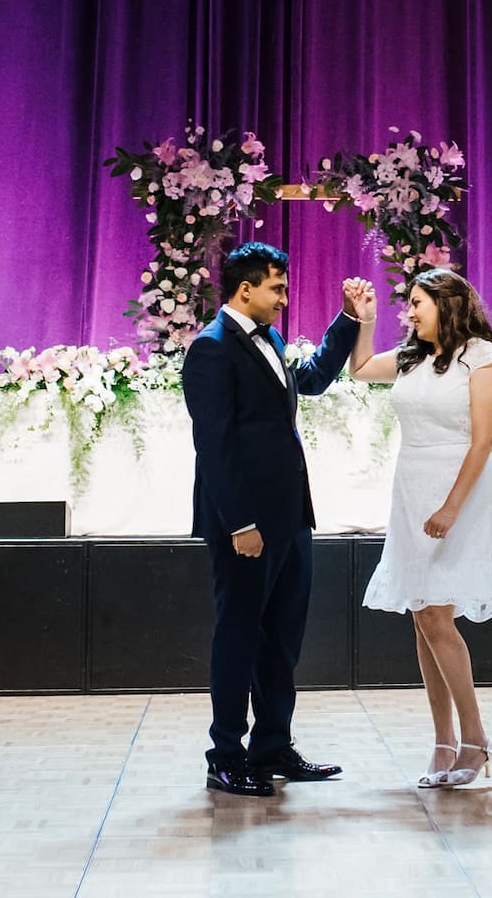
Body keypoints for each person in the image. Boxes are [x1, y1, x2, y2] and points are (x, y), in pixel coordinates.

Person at [180, 242, 370, 797]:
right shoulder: (211, 348)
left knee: (282, 638)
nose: (285, 299)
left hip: (290, 519)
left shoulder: (272, 339)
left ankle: (272, 746)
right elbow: (214, 446)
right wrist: (240, 523)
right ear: (246, 290)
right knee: (239, 636)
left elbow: (311, 380)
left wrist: (349, 321)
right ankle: (225, 755)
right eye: (277, 289)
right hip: (245, 525)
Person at [347, 267, 492, 789]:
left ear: (449, 304)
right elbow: (360, 369)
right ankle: (443, 740)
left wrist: (451, 507)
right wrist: (365, 320)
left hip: (458, 488)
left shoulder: (481, 358)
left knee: (438, 614)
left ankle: (475, 739)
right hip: (412, 487)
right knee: (422, 614)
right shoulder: (412, 357)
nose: (410, 312)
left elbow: (482, 442)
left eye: (418, 302)